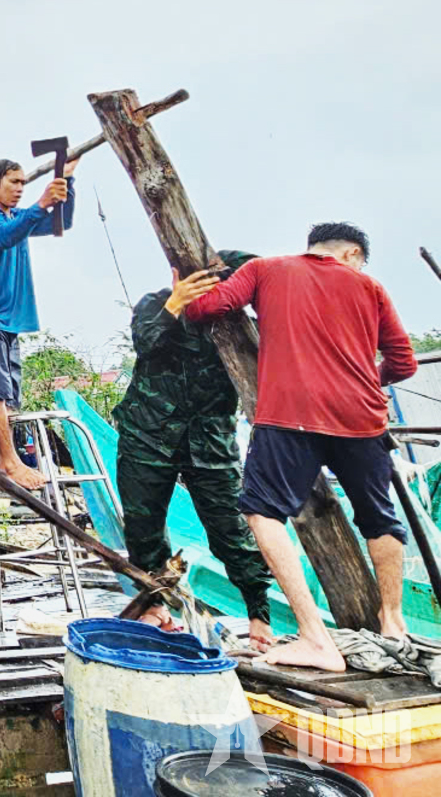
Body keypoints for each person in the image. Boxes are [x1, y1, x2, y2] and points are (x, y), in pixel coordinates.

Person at [186, 224, 418, 672]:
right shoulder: (369, 286)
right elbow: (404, 362)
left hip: (291, 415)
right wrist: (372, 381)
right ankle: (393, 621)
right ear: (352, 253)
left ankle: (315, 638)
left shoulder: (265, 269)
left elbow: (210, 307)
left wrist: (186, 289)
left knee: (262, 512)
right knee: (379, 518)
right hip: (362, 419)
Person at [111, 254, 274, 650]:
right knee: (143, 528)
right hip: (147, 435)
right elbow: (145, 343)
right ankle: (156, 606)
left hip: (210, 441)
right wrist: (177, 303)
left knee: (231, 532)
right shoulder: (155, 304)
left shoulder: (239, 325)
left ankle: (259, 614)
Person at [0, 156, 79, 491]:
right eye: (14, 182)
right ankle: (9, 462)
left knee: (10, 394)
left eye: (24, 183)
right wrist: (41, 202)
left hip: (8, 319)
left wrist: (66, 181)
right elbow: (5, 237)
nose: (20, 189)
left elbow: (60, 223)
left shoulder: (17, 217)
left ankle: (17, 459)